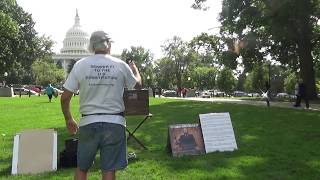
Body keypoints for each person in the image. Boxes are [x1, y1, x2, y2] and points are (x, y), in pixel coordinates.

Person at [60, 30, 142, 180]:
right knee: (109, 169)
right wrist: (136, 71)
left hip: (88, 122)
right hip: (114, 123)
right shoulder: (120, 64)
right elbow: (137, 86)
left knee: (82, 168)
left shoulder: (80, 65)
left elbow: (65, 97)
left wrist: (69, 119)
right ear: (108, 45)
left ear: (91, 46)